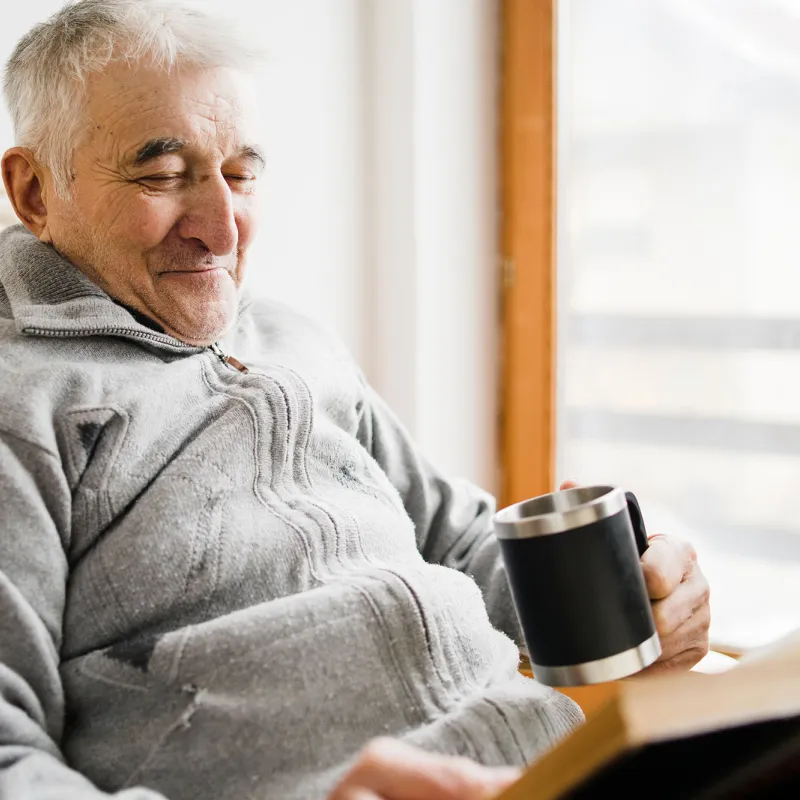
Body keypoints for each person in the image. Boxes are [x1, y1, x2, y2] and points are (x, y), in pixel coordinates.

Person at [0, 2, 710, 798]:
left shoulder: (291, 340)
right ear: (33, 191)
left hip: (557, 768)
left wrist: (641, 599)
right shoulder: (21, 404)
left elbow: (460, 542)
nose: (222, 229)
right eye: (162, 176)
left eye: (240, 174)